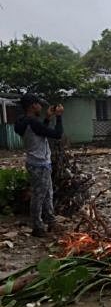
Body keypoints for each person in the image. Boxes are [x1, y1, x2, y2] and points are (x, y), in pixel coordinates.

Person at [14, 94, 64, 238]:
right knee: (39, 196)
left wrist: (48, 118)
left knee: (48, 193)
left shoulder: (24, 122)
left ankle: (50, 221)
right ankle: (37, 226)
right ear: (32, 106)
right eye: (39, 104)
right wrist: (59, 116)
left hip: (37, 162)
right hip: (39, 163)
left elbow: (40, 133)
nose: (41, 107)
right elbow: (57, 134)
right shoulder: (32, 122)